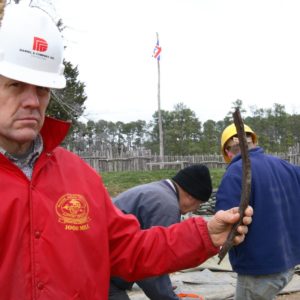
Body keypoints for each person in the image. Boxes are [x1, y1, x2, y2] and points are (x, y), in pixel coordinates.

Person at [0, 4, 253, 299]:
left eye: (43, 88)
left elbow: (129, 250)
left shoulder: (80, 177)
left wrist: (205, 234)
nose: (32, 101)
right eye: (16, 85)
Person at [215, 123, 300, 300]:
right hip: (289, 263)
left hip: (258, 271)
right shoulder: (285, 167)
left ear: (228, 152)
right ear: (253, 141)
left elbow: (224, 225)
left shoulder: (235, 174)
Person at [109, 164, 213, 300]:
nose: (194, 210)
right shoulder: (167, 206)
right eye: (198, 205)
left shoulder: (158, 190)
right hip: (101, 271)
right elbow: (151, 265)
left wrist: (165, 286)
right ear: (191, 197)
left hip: (100, 261)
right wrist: (168, 296)